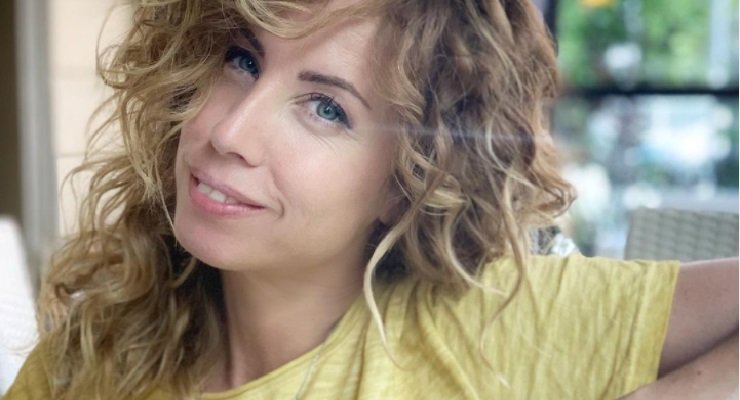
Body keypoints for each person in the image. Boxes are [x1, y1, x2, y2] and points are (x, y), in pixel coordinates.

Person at [4, 0, 737, 399]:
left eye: (327, 108)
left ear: (409, 179)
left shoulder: (489, 327)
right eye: (242, 60)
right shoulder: (87, 361)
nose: (228, 132)